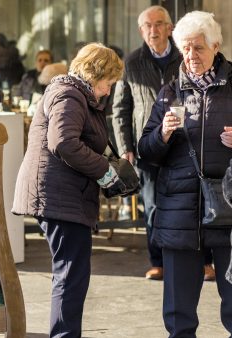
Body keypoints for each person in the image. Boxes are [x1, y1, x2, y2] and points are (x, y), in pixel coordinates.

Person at [12, 43, 123, 337]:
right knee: (70, 275)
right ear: (94, 73)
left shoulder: (74, 93)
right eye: (108, 83)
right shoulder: (69, 94)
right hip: (57, 195)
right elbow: (62, 142)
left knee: (70, 274)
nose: (109, 91)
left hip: (61, 194)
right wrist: (105, 170)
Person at [138, 11, 232, 336]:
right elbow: (146, 151)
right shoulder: (169, 93)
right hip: (179, 215)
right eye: (186, 49)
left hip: (229, 213)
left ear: (216, 46)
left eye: (198, 48)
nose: (191, 56)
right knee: (178, 314)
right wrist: (161, 135)